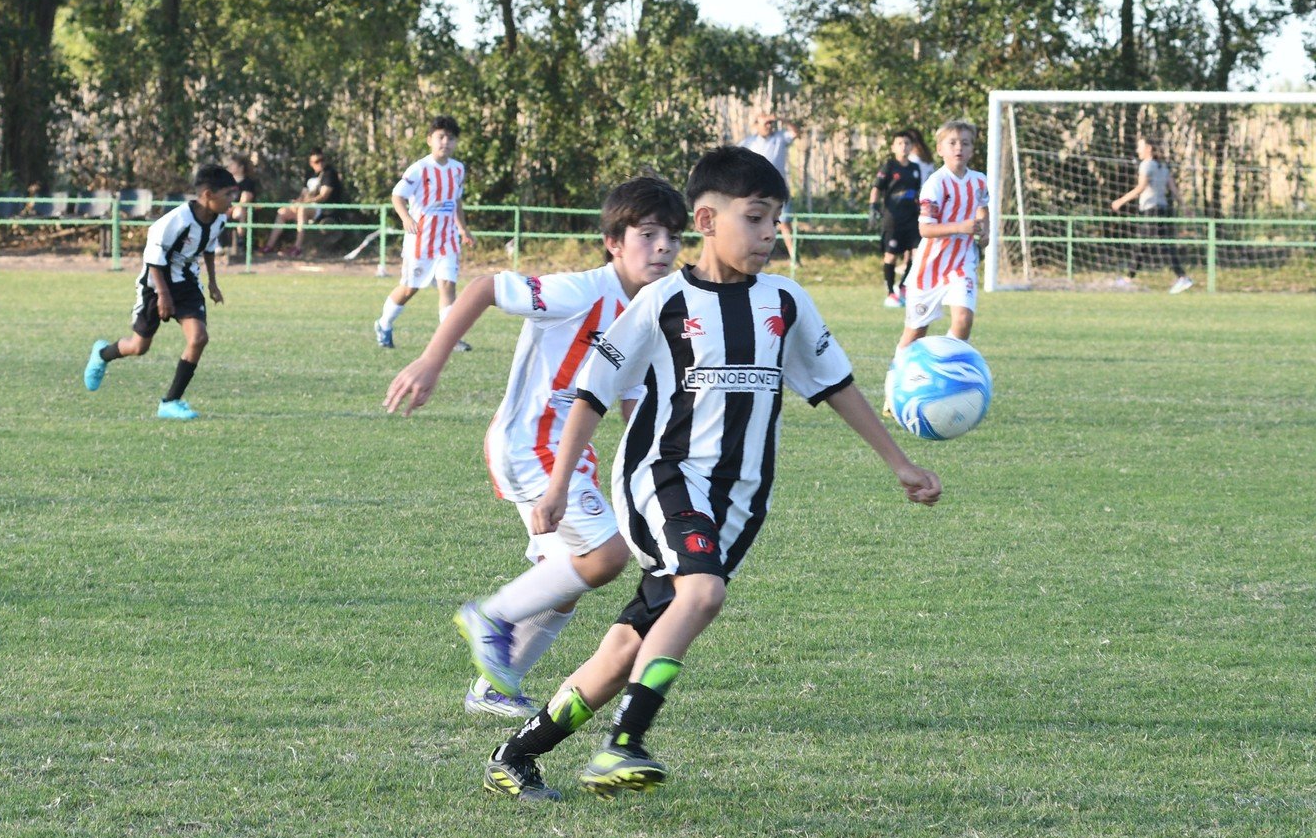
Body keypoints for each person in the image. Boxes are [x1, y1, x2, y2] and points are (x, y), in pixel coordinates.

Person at [479, 145, 942, 803]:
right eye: (754, 218)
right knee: (701, 594)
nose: (768, 234)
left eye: (775, 220)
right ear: (706, 217)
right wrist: (556, 489)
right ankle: (623, 744)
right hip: (661, 477)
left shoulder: (785, 301)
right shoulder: (663, 300)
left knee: (622, 649)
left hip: (739, 502)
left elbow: (835, 383)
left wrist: (899, 462)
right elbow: (592, 389)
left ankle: (516, 755)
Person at [383, 177, 688, 719]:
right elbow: (482, 288)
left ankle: (495, 688)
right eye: (647, 233)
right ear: (614, 241)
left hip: (568, 454)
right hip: (529, 444)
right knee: (605, 557)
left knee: (565, 578)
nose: (663, 246)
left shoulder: (648, 311)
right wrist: (432, 361)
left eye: (672, 235)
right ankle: (490, 617)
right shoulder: (581, 291)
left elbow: (631, 402)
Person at [82, 164, 238, 420]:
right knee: (139, 346)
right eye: (228, 195)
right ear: (208, 194)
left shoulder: (219, 219)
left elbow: (208, 248)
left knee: (198, 338)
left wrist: (212, 283)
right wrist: (163, 295)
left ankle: (170, 402)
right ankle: (102, 354)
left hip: (187, 283)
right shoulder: (176, 220)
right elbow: (154, 258)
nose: (232, 201)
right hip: (156, 286)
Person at [883, 119, 990, 414]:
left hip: (962, 263)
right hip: (930, 268)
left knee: (963, 320)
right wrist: (964, 226)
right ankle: (895, 387)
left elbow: (983, 206)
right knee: (915, 333)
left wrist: (986, 231)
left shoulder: (979, 179)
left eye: (965, 143)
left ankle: (944, 375)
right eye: (952, 143)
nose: (959, 147)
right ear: (941, 148)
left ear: (972, 149)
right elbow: (926, 230)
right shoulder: (935, 183)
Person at [373, 116, 475, 350]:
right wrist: (406, 218)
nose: (445, 142)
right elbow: (397, 196)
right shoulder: (419, 169)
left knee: (448, 286)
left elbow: (456, 200)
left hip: (447, 240)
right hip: (420, 240)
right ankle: (384, 323)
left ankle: (449, 340)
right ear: (430, 140)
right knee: (410, 288)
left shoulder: (458, 169)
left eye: (450, 138)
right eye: (441, 137)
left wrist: (462, 228)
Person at [1110, 135, 1193, 294]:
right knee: (1149, 244)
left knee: (1153, 245)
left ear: (1148, 148)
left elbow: (1141, 187)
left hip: (1151, 210)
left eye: (1140, 146)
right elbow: (1173, 189)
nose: (1137, 150)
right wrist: (1184, 206)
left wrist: (1120, 201)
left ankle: (1182, 277)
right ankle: (1129, 278)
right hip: (1163, 209)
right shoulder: (1162, 166)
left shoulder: (1147, 165)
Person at [868, 129, 925, 307]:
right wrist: (873, 208)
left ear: (911, 147)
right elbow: (876, 188)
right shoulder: (890, 166)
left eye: (907, 143)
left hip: (912, 219)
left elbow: (918, 192)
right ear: (893, 147)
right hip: (893, 219)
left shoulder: (915, 169)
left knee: (917, 254)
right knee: (891, 257)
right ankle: (890, 293)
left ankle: (903, 286)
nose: (903, 146)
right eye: (900, 143)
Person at [737, 111, 800, 265]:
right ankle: (760, 257)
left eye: (771, 123)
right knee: (757, 223)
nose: (769, 126)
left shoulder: (780, 138)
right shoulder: (749, 143)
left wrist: (780, 118)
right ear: (756, 125)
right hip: (757, 191)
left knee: (784, 223)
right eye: (765, 123)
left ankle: (794, 259)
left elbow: (796, 132)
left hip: (779, 189)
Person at [261, 149, 341, 256]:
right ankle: (269, 246)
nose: (320, 163)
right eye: (317, 161)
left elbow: (323, 196)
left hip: (323, 209)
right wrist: (297, 202)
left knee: (302, 209)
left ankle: (297, 247)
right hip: (307, 205)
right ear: (311, 163)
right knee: (283, 211)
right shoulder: (309, 174)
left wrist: (304, 203)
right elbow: (303, 194)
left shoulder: (329, 173)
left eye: (322, 160)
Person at [224, 155, 258, 260]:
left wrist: (232, 208)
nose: (229, 167)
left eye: (232, 165)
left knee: (240, 212)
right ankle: (221, 246)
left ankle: (241, 244)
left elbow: (246, 199)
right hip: (227, 209)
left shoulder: (248, 182)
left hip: (245, 211)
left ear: (241, 168)